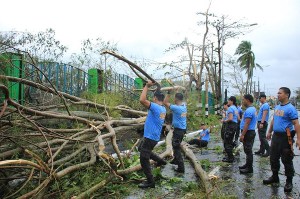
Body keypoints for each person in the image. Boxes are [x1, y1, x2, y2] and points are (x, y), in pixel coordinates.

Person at [263, 87, 300, 192]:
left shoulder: (290, 108)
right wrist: (269, 131)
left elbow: (296, 124)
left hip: (285, 137)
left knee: (287, 160)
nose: (278, 94)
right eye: (278, 92)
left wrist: (299, 139)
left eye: (280, 93)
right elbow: (274, 120)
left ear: (287, 95)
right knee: (273, 158)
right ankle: (275, 177)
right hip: (276, 136)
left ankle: (289, 182)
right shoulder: (278, 106)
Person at [138, 81, 167, 188]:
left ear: (155, 98)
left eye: (153, 98)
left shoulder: (155, 107)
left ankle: (151, 182)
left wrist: (147, 86)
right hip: (153, 136)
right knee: (141, 148)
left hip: (150, 137)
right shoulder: (163, 108)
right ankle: (160, 161)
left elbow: (142, 100)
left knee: (143, 158)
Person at [163, 91, 187, 173]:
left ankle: (181, 168)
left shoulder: (177, 108)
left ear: (176, 99)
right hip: (181, 129)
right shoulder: (184, 106)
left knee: (176, 148)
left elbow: (165, 102)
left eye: (174, 98)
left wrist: (169, 92)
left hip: (179, 130)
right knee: (175, 145)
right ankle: (176, 160)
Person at [238, 94, 257, 174]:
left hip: (248, 133)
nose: (242, 101)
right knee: (247, 150)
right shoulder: (252, 109)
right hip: (249, 132)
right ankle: (247, 164)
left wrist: (242, 134)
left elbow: (247, 124)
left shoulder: (249, 110)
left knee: (248, 150)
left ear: (248, 100)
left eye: (243, 99)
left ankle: (249, 168)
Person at [222, 96, 239, 163]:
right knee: (229, 140)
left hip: (230, 126)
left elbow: (230, 118)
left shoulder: (230, 108)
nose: (228, 102)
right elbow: (237, 118)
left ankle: (230, 158)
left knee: (227, 142)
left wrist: (224, 121)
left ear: (232, 101)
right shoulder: (235, 108)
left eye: (229, 100)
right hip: (234, 125)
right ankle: (229, 156)